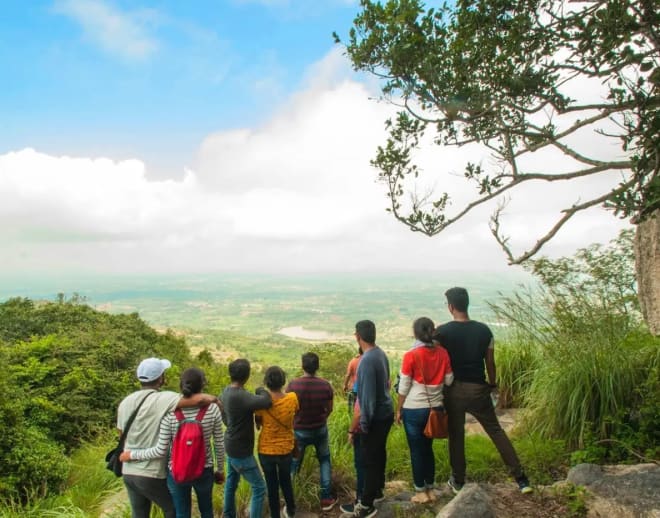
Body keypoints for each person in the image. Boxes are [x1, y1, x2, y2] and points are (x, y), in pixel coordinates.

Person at [434, 287, 533, 495]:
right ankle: (521, 478)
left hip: (453, 391)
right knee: (496, 431)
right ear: (466, 304)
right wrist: (493, 383)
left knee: (456, 435)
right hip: (479, 389)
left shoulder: (442, 332)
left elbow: (433, 358)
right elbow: (490, 361)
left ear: (451, 307)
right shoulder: (484, 331)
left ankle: (458, 480)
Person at [116, 357, 217, 518]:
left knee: (139, 514)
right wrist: (214, 399)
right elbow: (199, 399)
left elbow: (121, 435)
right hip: (150, 473)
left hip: (129, 472)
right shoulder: (164, 399)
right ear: (161, 378)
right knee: (175, 511)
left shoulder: (125, 402)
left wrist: (130, 454)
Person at [396, 317, 454, 503]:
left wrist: (398, 409)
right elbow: (449, 380)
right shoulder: (443, 353)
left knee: (416, 450)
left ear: (416, 333)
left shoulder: (411, 355)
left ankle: (420, 491)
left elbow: (403, 387)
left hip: (413, 409)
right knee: (428, 449)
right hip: (435, 407)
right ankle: (431, 487)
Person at [352, 320, 394, 518]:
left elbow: (366, 398)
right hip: (385, 412)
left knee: (369, 459)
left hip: (376, 417)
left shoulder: (366, 361)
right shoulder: (380, 353)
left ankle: (367, 504)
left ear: (358, 337)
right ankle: (378, 490)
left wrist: (364, 424)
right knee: (379, 454)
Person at [221, 359, 272, 518]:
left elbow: (225, 419)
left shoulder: (225, 392)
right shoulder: (241, 396)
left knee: (231, 483)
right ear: (247, 376)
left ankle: (228, 515)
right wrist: (260, 389)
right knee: (259, 488)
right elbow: (266, 401)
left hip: (230, 444)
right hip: (241, 451)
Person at [287, 352, 336, 511]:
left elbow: (289, 410)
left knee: (294, 463)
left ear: (303, 366)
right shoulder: (325, 385)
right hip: (320, 429)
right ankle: (326, 499)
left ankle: (290, 498)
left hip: (299, 430)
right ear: (317, 366)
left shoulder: (293, 385)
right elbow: (330, 409)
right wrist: (321, 418)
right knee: (324, 460)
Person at [255, 366, 299, 518]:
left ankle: (275, 515)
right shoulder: (292, 398)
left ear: (267, 382)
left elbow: (258, 423)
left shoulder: (261, 404)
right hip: (286, 449)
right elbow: (295, 413)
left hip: (265, 450)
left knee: (271, 485)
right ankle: (291, 509)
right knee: (285, 481)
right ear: (283, 380)